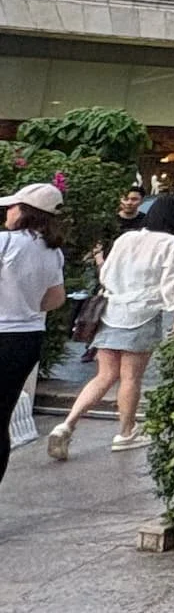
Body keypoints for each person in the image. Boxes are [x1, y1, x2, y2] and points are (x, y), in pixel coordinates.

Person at [47, 193, 174, 460]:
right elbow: (171, 283)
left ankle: (67, 424)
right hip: (142, 313)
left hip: (111, 311)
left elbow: (106, 273)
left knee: (104, 375)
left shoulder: (127, 238)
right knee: (131, 377)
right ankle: (126, 432)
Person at [0, 184, 68, 488]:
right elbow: (54, 299)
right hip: (27, 338)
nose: (7, 211)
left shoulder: (5, 243)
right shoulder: (52, 251)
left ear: (25, 211)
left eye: (12, 206)